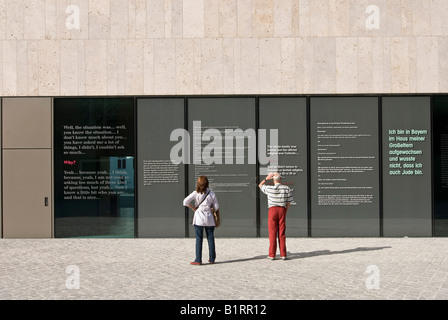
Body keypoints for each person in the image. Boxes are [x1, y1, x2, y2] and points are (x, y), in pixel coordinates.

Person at [183, 176, 220, 265]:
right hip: (209, 219)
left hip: (199, 218)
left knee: (199, 239)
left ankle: (198, 260)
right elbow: (216, 207)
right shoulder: (212, 194)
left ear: (198, 184)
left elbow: (185, 202)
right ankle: (212, 259)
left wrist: (193, 208)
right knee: (210, 238)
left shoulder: (195, 193)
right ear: (207, 183)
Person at [258, 172, 293, 260]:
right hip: (282, 209)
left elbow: (260, 185)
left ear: (273, 180)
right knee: (282, 233)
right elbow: (289, 202)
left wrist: (266, 178)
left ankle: (272, 254)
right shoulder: (286, 188)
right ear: (280, 179)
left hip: (272, 210)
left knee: (272, 232)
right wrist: (285, 211)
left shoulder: (269, 188)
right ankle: (283, 254)